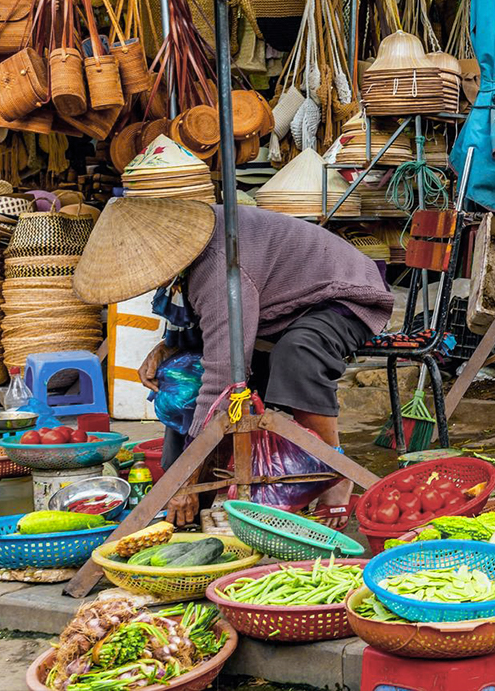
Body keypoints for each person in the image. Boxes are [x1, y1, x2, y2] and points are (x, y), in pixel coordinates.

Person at [74, 137, 394, 526]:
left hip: (343, 294)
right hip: (278, 305)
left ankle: (334, 473)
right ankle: (192, 495)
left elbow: (224, 381)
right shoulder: (187, 258)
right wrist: (166, 347)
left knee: (297, 354)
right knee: (181, 376)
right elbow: (201, 331)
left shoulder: (219, 268)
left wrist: (184, 480)